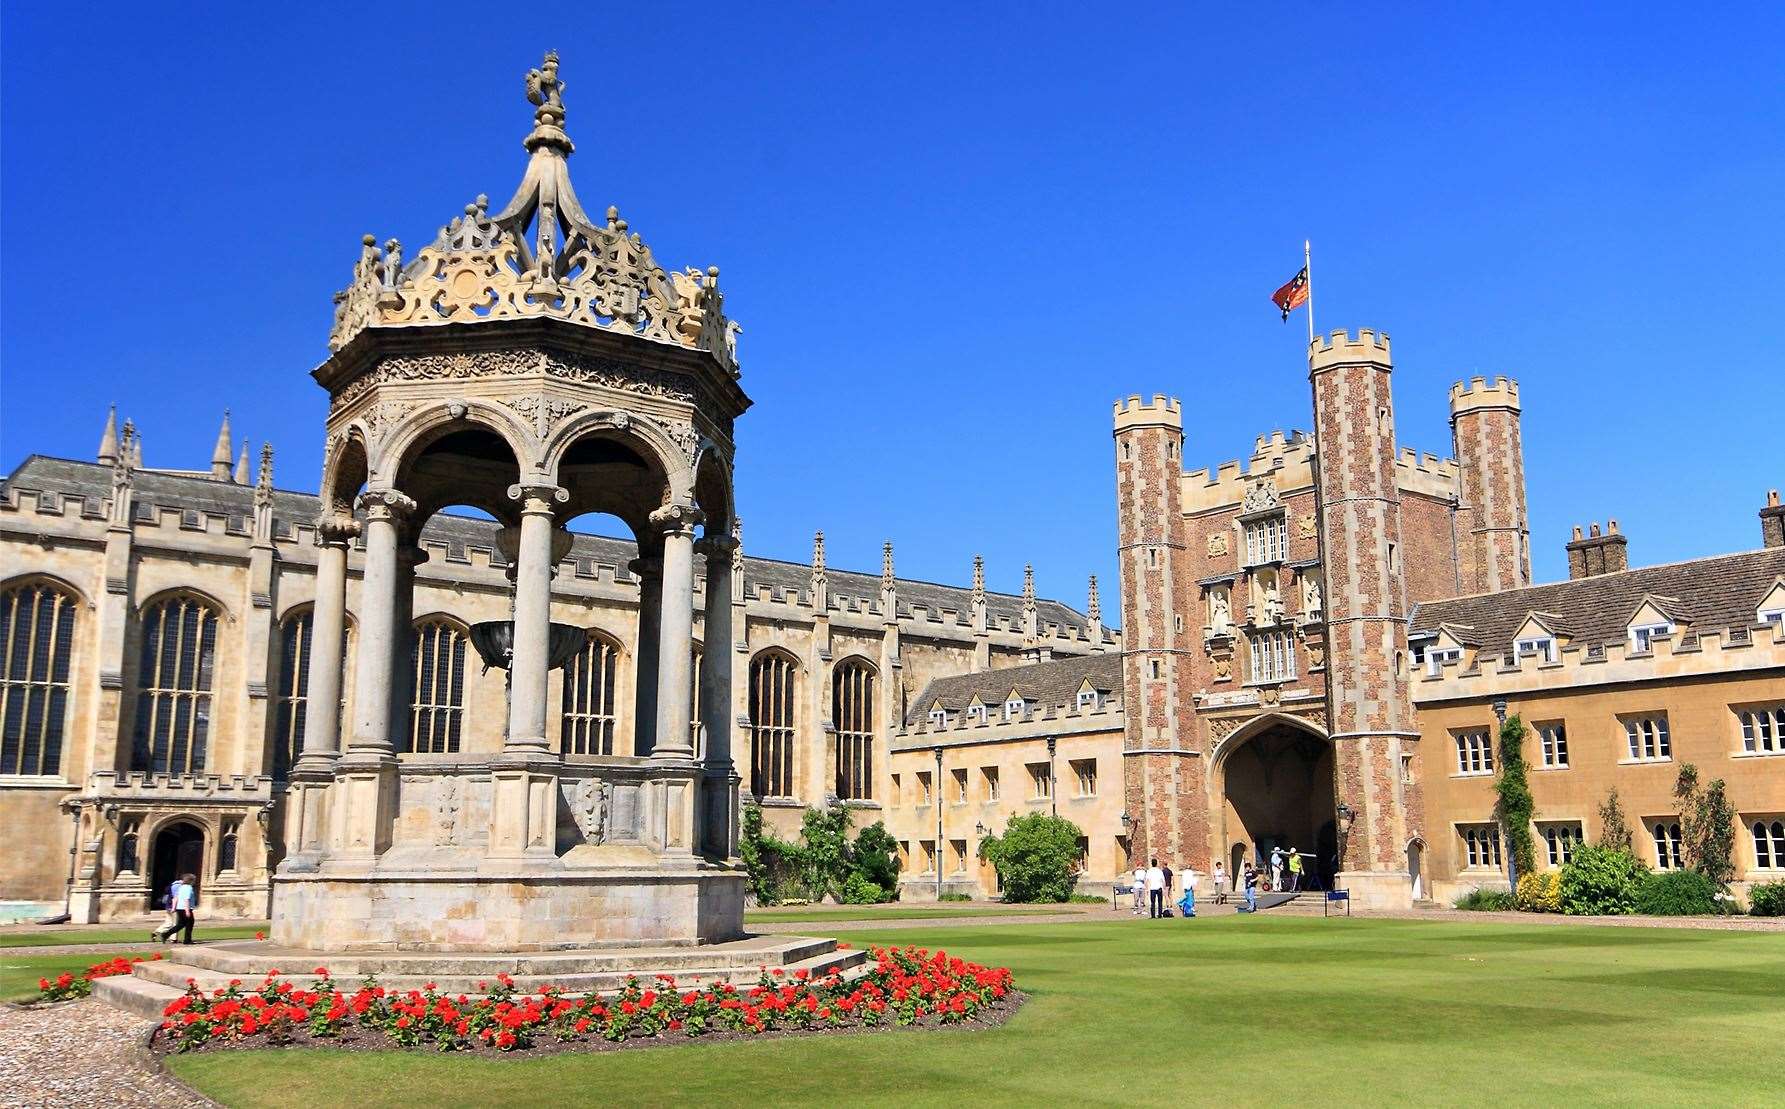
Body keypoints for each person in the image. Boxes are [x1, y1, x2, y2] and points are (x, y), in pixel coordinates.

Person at [170, 872, 197, 945]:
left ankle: (187, 940)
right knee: (188, 924)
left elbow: (175, 898)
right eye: (194, 880)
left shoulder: (181, 887)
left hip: (180, 908)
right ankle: (187, 940)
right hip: (185, 908)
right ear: (191, 881)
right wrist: (187, 911)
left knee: (182, 924)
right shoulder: (188, 888)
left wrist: (173, 907)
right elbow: (186, 899)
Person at [151, 877, 181, 943]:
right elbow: (176, 897)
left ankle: (156, 932)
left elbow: (167, 892)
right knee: (175, 924)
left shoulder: (171, 885)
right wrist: (174, 907)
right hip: (174, 907)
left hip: (168, 906)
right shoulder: (179, 886)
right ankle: (173, 938)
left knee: (168, 922)